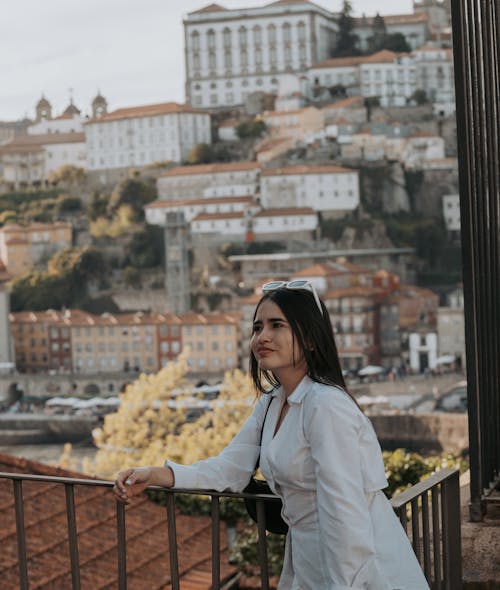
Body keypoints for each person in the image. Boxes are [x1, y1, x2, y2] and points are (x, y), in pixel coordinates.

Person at [113, 280, 430, 590]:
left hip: (357, 565)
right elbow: (231, 469)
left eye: (277, 325)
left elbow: (344, 509)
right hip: (309, 558)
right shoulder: (271, 403)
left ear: (309, 338)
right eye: (257, 327)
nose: (262, 336)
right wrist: (157, 474)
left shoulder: (325, 405)